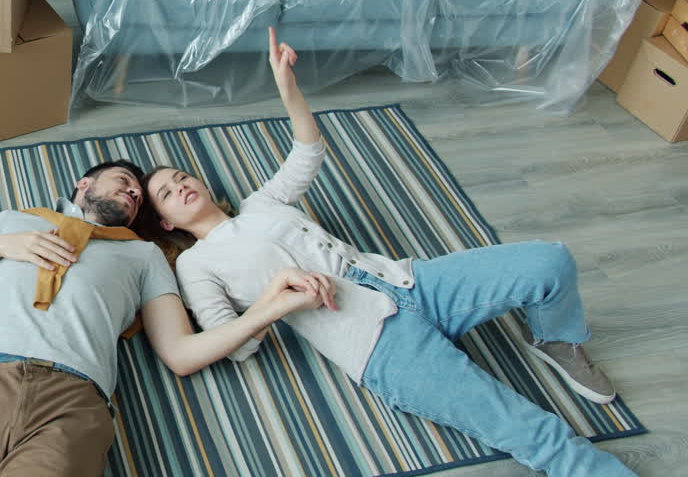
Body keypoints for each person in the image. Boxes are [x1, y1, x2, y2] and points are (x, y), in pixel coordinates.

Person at [139, 27, 634, 477]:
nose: (180, 185)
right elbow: (235, 344)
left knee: (550, 262)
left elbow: (307, 151)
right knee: (529, 428)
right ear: (167, 223)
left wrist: (287, 87)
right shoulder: (195, 264)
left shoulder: (259, 203)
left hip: (411, 283)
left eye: (181, 176)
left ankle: (555, 340)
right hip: (377, 345)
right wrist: (274, 300)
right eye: (166, 193)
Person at [0, 157, 334, 476]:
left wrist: (270, 307)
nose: (134, 192)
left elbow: (181, 353)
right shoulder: (13, 220)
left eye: (139, 196)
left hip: (69, 401)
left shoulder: (143, 255)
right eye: (124, 182)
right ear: (84, 184)